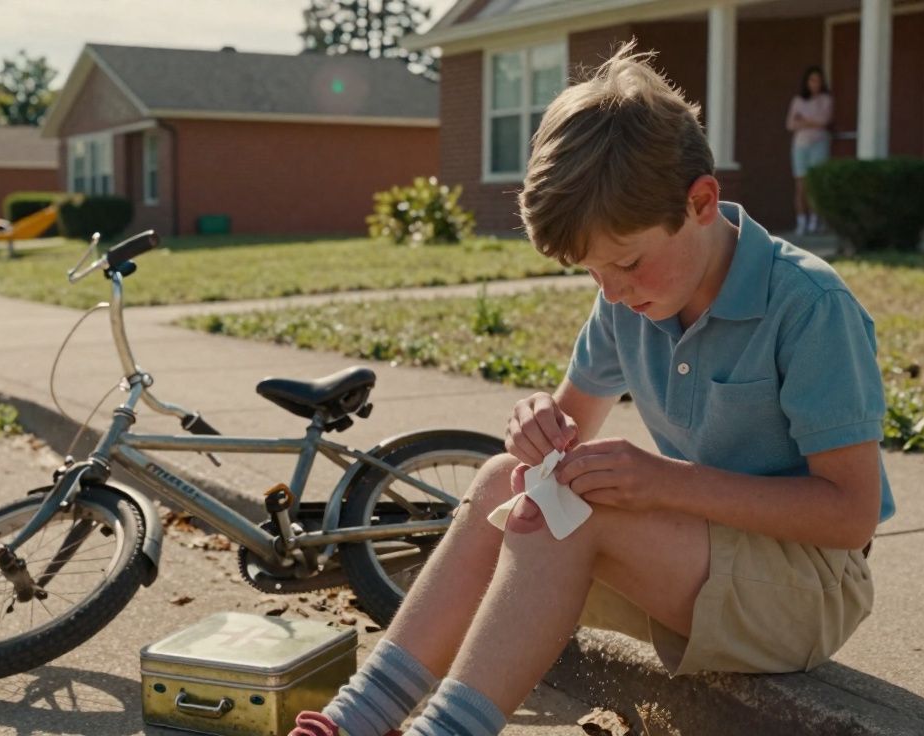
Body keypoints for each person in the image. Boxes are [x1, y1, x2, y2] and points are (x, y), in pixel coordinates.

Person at [290, 41, 893, 736]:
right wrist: (536, 427)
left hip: (808, 591)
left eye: (627, 262)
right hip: (700, 560)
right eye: (591, 272)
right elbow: (560, 440)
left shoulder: (808, 304)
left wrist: (662, 481)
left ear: (701, 202)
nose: (611, 291)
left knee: (581, 512)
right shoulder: (630, 298)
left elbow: (851, 516)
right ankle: (361, 716)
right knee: (503, 478)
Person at [786, 66, 834, 235]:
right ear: (807, 82)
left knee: (815, 183)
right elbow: (791, 124)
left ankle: (815, 221)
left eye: (818, 81)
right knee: (801, 185)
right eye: (812, 80)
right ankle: (801, 222)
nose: (815, 84)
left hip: (819, 145)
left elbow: (824, 121)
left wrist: (804, 120)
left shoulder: (825, 100)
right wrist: (812, 121)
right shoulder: (798, 101)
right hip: (800, 146)